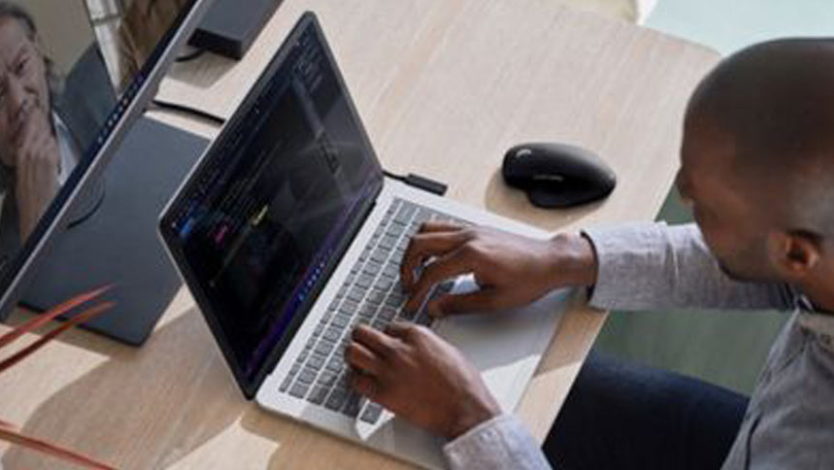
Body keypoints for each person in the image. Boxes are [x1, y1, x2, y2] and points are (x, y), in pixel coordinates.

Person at [344, 38, 834, 469]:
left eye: (706, 202)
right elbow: (766, 264)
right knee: (528, 381)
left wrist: (468, 418)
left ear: (795, 252)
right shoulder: (813, 250)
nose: (683, 192)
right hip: (757, 425)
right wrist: (568, 258)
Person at [0, 2, 79, 262]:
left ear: (38, 48)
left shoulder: (103, 95)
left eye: (21, 66)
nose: (18, 101)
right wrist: (34, 228)